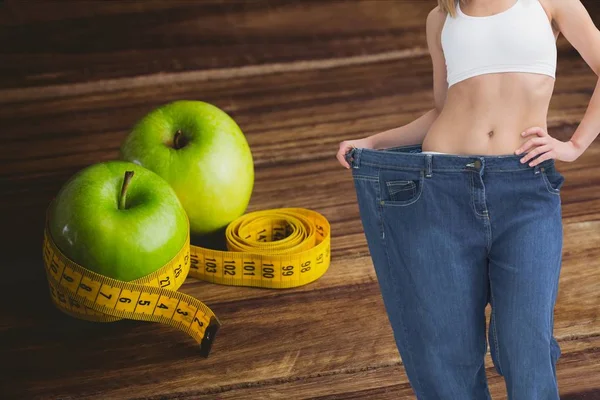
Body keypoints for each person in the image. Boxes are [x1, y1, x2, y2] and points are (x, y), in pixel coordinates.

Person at [336, 0, 600, 398]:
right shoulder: (442, 18)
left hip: (524, 188)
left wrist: (576, 144)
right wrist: (373, 142)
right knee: (446, 345)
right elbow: (443, 109)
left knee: (525, 341)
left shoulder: (550, 2)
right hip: (439, 188)